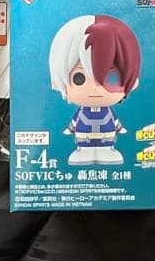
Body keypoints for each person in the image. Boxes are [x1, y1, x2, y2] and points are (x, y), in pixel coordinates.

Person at [49, 14, 142, 165]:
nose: (95, 87)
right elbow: (75, 121)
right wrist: (70, 129)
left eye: (111, 77)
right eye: (79, 78)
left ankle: (107, 151)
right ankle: (83, 152)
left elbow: (115, 121)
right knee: (84, 150)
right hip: (83, 138)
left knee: (107, 149)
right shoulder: (82, 112)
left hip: (107, 138)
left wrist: (119, 128)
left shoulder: (108, 112)